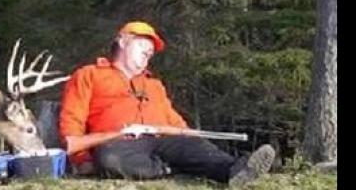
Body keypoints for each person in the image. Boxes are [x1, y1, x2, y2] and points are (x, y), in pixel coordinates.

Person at [58, 21, 275, 186]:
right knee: (109, 158)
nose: (148, 52)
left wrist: (188, 135)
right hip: (120, 145)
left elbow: (172, 119)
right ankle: (169, 168)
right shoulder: (89, 75)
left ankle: (235, 170)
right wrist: (81, 159)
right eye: (143, 44)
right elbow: (72, 122)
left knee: (194, 147)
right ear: (123, 41)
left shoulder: (154, 85)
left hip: (163, 141)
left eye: (151, 51)